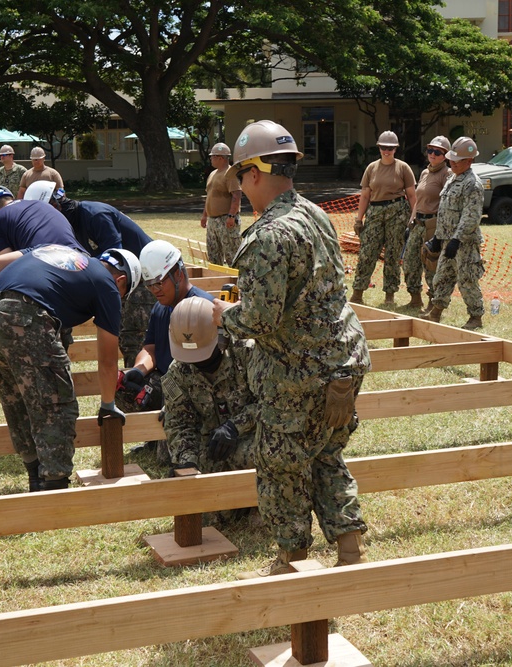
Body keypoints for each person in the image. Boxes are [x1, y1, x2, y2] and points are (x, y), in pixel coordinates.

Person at [213, 120, 369, 579]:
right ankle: (350, 551)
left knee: (281, 467)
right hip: (344, 361)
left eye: (240, 176)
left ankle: (290, 562)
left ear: (256, 173)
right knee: (325, 455)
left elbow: (259, 320)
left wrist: (222, 315)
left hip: (299, 373)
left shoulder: (267, 234)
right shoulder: (314, 213)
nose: (239, 187)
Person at [0, 244, 141, 492]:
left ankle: (35, 478)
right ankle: (54, 486)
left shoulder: (65, 254)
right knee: (57, 404)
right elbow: (107, 360)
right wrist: (108, 404)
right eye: (124, 294)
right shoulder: (107, 284)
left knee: (16, 399)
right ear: (121, 280)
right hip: (24, 316)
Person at [25, 181, 158, 367]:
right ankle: (133, 384)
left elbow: (117, 259)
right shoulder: (67, 225)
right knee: (125, 335)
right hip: (121, 279)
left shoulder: (95, 215)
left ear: (54, 206)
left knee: (135, 334)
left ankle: (141, 383)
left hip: (145, 275)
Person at [161, 297, 256, 477]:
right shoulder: (177, 371)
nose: (196, 362)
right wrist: (187, 462)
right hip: (212, 447)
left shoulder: (247, 353)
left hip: (251, 437)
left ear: (221, 335)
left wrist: (235, 427)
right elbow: (179, 423)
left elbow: (270, 404)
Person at [118, 240, 214, 413]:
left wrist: (178, 402)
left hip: (198, 388)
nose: (155, 290)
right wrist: (139, 370)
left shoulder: (203, 308)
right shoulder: (160, 307)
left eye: (159, 282)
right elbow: (151, 348)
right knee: (125, 392)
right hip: (167, 381)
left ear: (178, 274)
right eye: (150, 285)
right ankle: (155, 439)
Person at [423, 136, 486, 330]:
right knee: (441, 276)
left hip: (463, 243)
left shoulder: (472, 184)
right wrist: (438, 237)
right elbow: (445, 212)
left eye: (456, 161)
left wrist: (456, 240)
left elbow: (471, 216)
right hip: (446, 240)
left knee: (467, 280)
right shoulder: (453, 178)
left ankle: (475, 317)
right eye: (451, 159)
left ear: (469, 161)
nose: (452, 163)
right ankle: (436, 312)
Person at [350, 130, 418, 305]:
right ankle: (357, 293)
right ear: (379, 148)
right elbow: (365, 194)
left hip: (397, 212)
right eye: (383, 148)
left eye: (390, 148)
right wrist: (359, 219)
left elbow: (412, 195)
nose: (386, 151)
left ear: (395, 149)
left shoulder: (403, 168)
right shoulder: (371, 168)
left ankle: (390, 294)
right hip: (375, 212)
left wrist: (413, 217)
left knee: (392, 255)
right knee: (367, 253)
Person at [401, 136, 451, 310]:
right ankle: (415, 298)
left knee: (431, 263)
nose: (433, 154)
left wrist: (440, 230)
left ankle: (433, 301)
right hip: (418, 223)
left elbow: (446, 203)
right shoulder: (425, 172)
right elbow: (417, 200)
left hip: (433, 224)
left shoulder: (447, 174)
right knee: (409, 261)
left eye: (438, 152)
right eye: (430, 150)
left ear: (445, 155)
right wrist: (411, 222)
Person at [200, 142, 243, 265]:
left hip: (226, 219)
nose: (211, 159)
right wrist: (205, 215)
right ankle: (216, 279)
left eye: (212, 156)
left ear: (221, 158)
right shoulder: (213, 174)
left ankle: (235, 280)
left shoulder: (230, 173)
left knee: (231, 253)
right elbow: (209, 196)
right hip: (213, 221)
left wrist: (231, 216)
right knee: (213, 253)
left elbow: (236, 195)